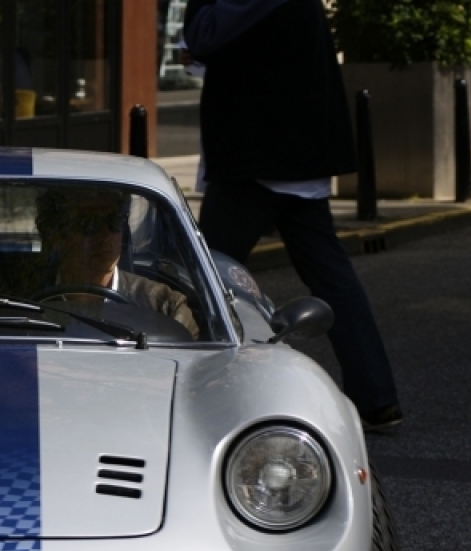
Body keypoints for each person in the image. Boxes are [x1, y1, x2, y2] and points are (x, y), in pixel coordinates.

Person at [183, 0, 403, 432]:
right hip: (290, 155)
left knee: (202, 277)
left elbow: (204, 34)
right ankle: (377, 397)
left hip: (260, 157)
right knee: (331, 276)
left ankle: (190, 393)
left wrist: (201, 37)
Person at [35, 187, 199, 339]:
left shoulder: (164, 308)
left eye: (115, 220)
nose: (105, 235)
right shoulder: (23, 302)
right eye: (89, 224)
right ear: (54, 235)